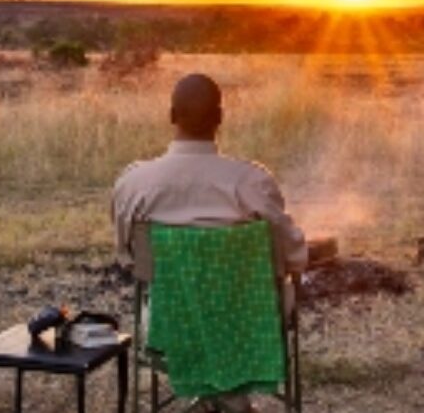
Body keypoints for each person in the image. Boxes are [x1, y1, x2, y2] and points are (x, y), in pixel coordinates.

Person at [111, 72, 308, 279]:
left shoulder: (133, 184)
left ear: (172, 115)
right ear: (219, 117)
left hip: (164, 309)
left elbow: (126, 255)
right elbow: (292, 256)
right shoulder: (254, 184)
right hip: (247, 308)